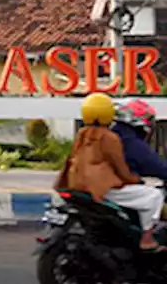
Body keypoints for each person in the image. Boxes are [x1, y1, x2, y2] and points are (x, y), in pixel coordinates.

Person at [56, 93, 163, 251]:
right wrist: (134, 180)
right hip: (102, 187)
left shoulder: (82, 133)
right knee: (153, 196)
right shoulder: (112, 138)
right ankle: (147, 238)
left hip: (78, 183)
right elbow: (120, 168)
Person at [112, 99, 167, 180]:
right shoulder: (132, 142)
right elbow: (159, 167)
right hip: (117, 186)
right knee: (155, 193)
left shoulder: (111, 134)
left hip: (100, 184)